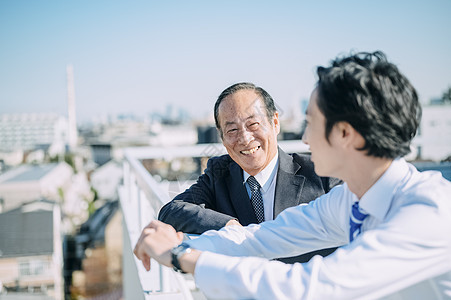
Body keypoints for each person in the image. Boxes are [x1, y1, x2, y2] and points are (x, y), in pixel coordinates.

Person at [134, 51, 451, 299]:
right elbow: (263, 236)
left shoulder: (428, 212)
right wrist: (180, 241)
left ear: (344, 133)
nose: (304, 140)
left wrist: (181, 257)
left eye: (310, 123)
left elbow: (307, 287)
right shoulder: (351, 199)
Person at [158, 82, 340, 262]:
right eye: (232, 130)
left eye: (253, 124)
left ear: (275, 123)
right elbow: (171, 211)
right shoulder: (219, 174)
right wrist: (227, 226)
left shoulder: (321, 173)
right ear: (221, 137)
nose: (245, 138)